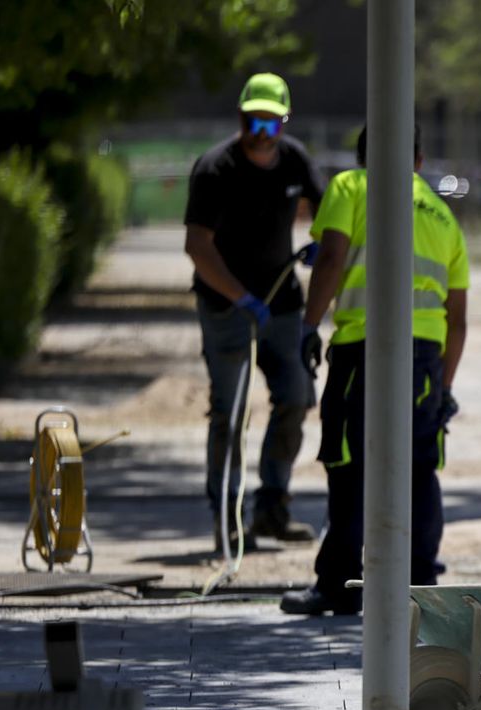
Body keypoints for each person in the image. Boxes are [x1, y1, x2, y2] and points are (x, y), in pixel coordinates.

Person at [279, 124, 469, 616]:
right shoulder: (444, 216)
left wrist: (308, 324)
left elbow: (332, 257)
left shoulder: (350, 187)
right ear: (419, 160)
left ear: (364, 156)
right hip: (425, 357)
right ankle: (421, 588)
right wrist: (444, 386)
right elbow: (459, 318)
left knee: (349, 462)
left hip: (363, 350)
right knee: (420, 465)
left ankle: (339, 585)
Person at [184, 72, 324, 550]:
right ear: (241, 119)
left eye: (271, 125)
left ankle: (272, 508)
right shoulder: (214, 169)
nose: (261, 135)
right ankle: (226, 516)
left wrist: (322, 242)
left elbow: (328, 213)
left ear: (283, 124)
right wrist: (238, 296)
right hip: (226, 308)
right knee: (230, 410)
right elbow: (197, 245)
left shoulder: (295, 161)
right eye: (252, 123)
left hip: (283, 307)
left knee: (296, 396)